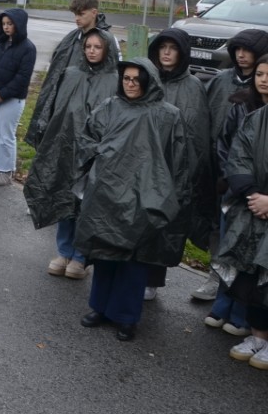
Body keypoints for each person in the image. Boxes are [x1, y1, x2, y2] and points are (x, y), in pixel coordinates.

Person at [75, 59, 187, 342]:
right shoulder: (110, 107)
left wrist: (165, 195)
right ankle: (100, 307)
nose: (130, 84)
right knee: (105, 251)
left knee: (134, 259)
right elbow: (87, 139)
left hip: (145, 197)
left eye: (137, 79)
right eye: (126, 78)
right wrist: (103, 157)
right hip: (107, 192)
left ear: (149, 81)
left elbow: (178, 160)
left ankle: (126, 317)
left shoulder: (167, 115)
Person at [23, 29, 116, 279]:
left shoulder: (114, 80)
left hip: (95, 154)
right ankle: (64, 251)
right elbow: (56, 109)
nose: (92, 51)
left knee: (87, 205)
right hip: (66, 148)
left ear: (107, 49)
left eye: (98, 47)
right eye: (88, 46)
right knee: (64, 198)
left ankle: (81, 257)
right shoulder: (71, 74)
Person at [195, 29, 268, 302]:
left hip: (255, 187)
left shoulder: (256, 97)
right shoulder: (222, 81)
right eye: (237, 49)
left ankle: (241, 305)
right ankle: (216, 279)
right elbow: (223, 137)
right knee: (219, 227)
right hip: (225, 174)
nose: (241, 55)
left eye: (248, 50)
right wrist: (229, 174)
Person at [143, 28, 211, 301]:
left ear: (182, 53)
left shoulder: (193, 87)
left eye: (173, 48)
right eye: (163, 47)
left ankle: (152, 280)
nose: (167, 53)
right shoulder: (148, 78)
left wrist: (185, 174)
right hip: (144, 165)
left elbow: (196, 135)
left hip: (173, 169)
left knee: (163, 227)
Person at [212, 56, 268, 366]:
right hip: (253, 207)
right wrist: (253, 195)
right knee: (252, 274)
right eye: (260, 74)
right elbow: (238, 157)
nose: (264, 80)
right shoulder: (255, 119)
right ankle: (258, 335)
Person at [24, 0, 120, 149]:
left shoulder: (108, 40)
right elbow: (55, 72)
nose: (77, 19)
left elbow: (113, 74)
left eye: (81, 14)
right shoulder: (72, 38)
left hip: (92, 106)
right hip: (67, 104)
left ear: (94, 12)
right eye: (75, 14)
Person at [0, 8, 36, 187]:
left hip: (12, 99)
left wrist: (2, 94)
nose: (6, 27)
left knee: (6, 136)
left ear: (18, 24)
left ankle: (6, 171)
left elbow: (22, 77)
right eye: (4, 24)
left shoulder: (28, 48)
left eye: (10, 24)